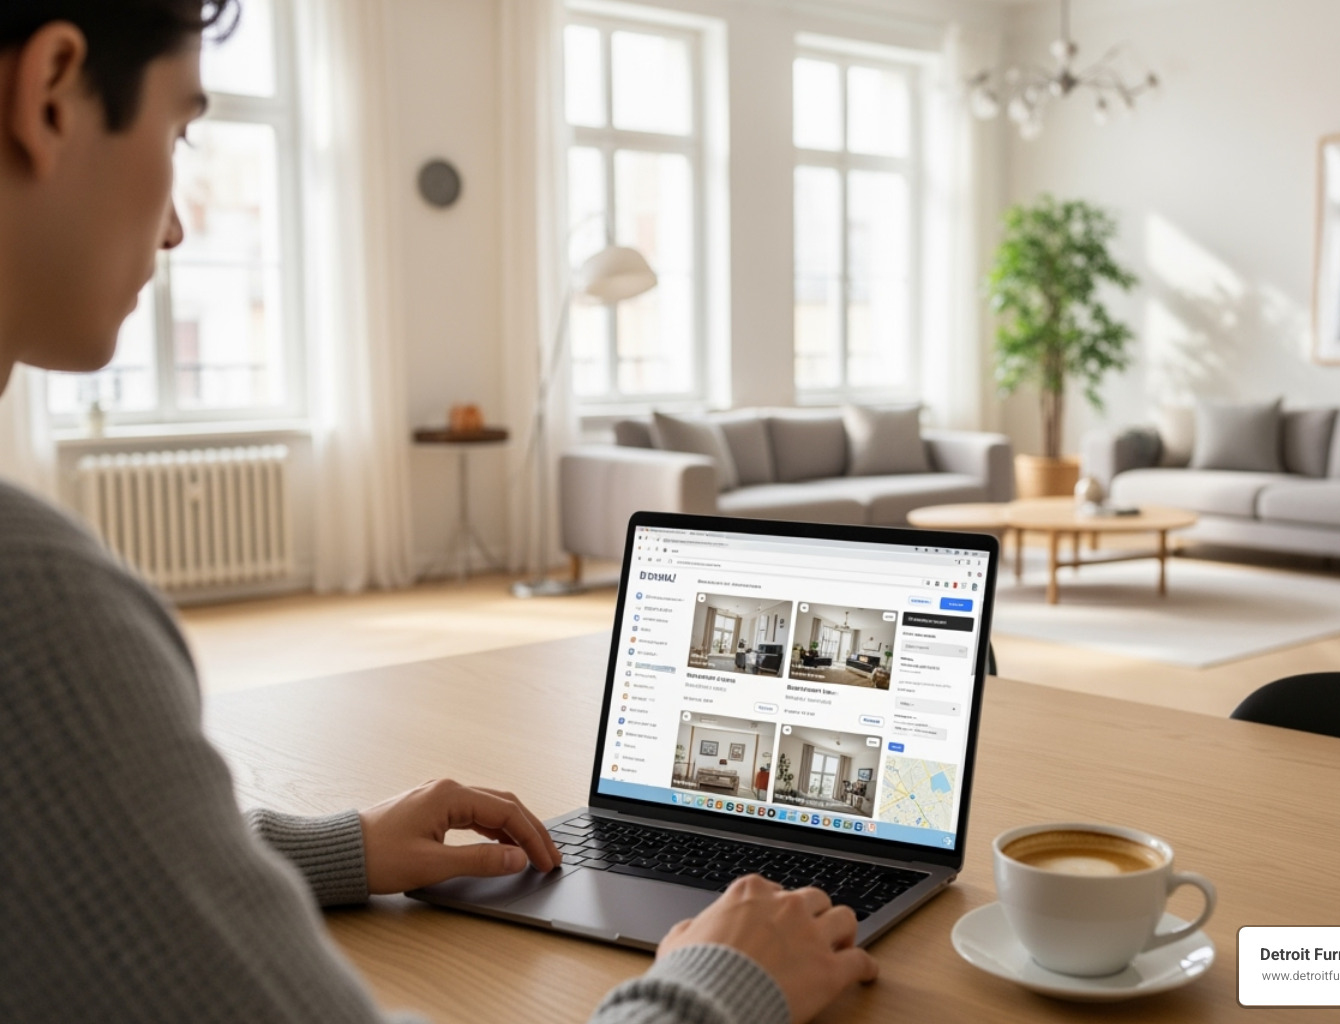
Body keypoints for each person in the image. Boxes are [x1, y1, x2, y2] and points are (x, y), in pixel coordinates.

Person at [0, 3, 878, 1022]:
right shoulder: (31, 608)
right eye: (178, 129)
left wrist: (338, 847)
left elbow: (62, 850)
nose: (176, 224)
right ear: (53, 92)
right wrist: (722, 983)